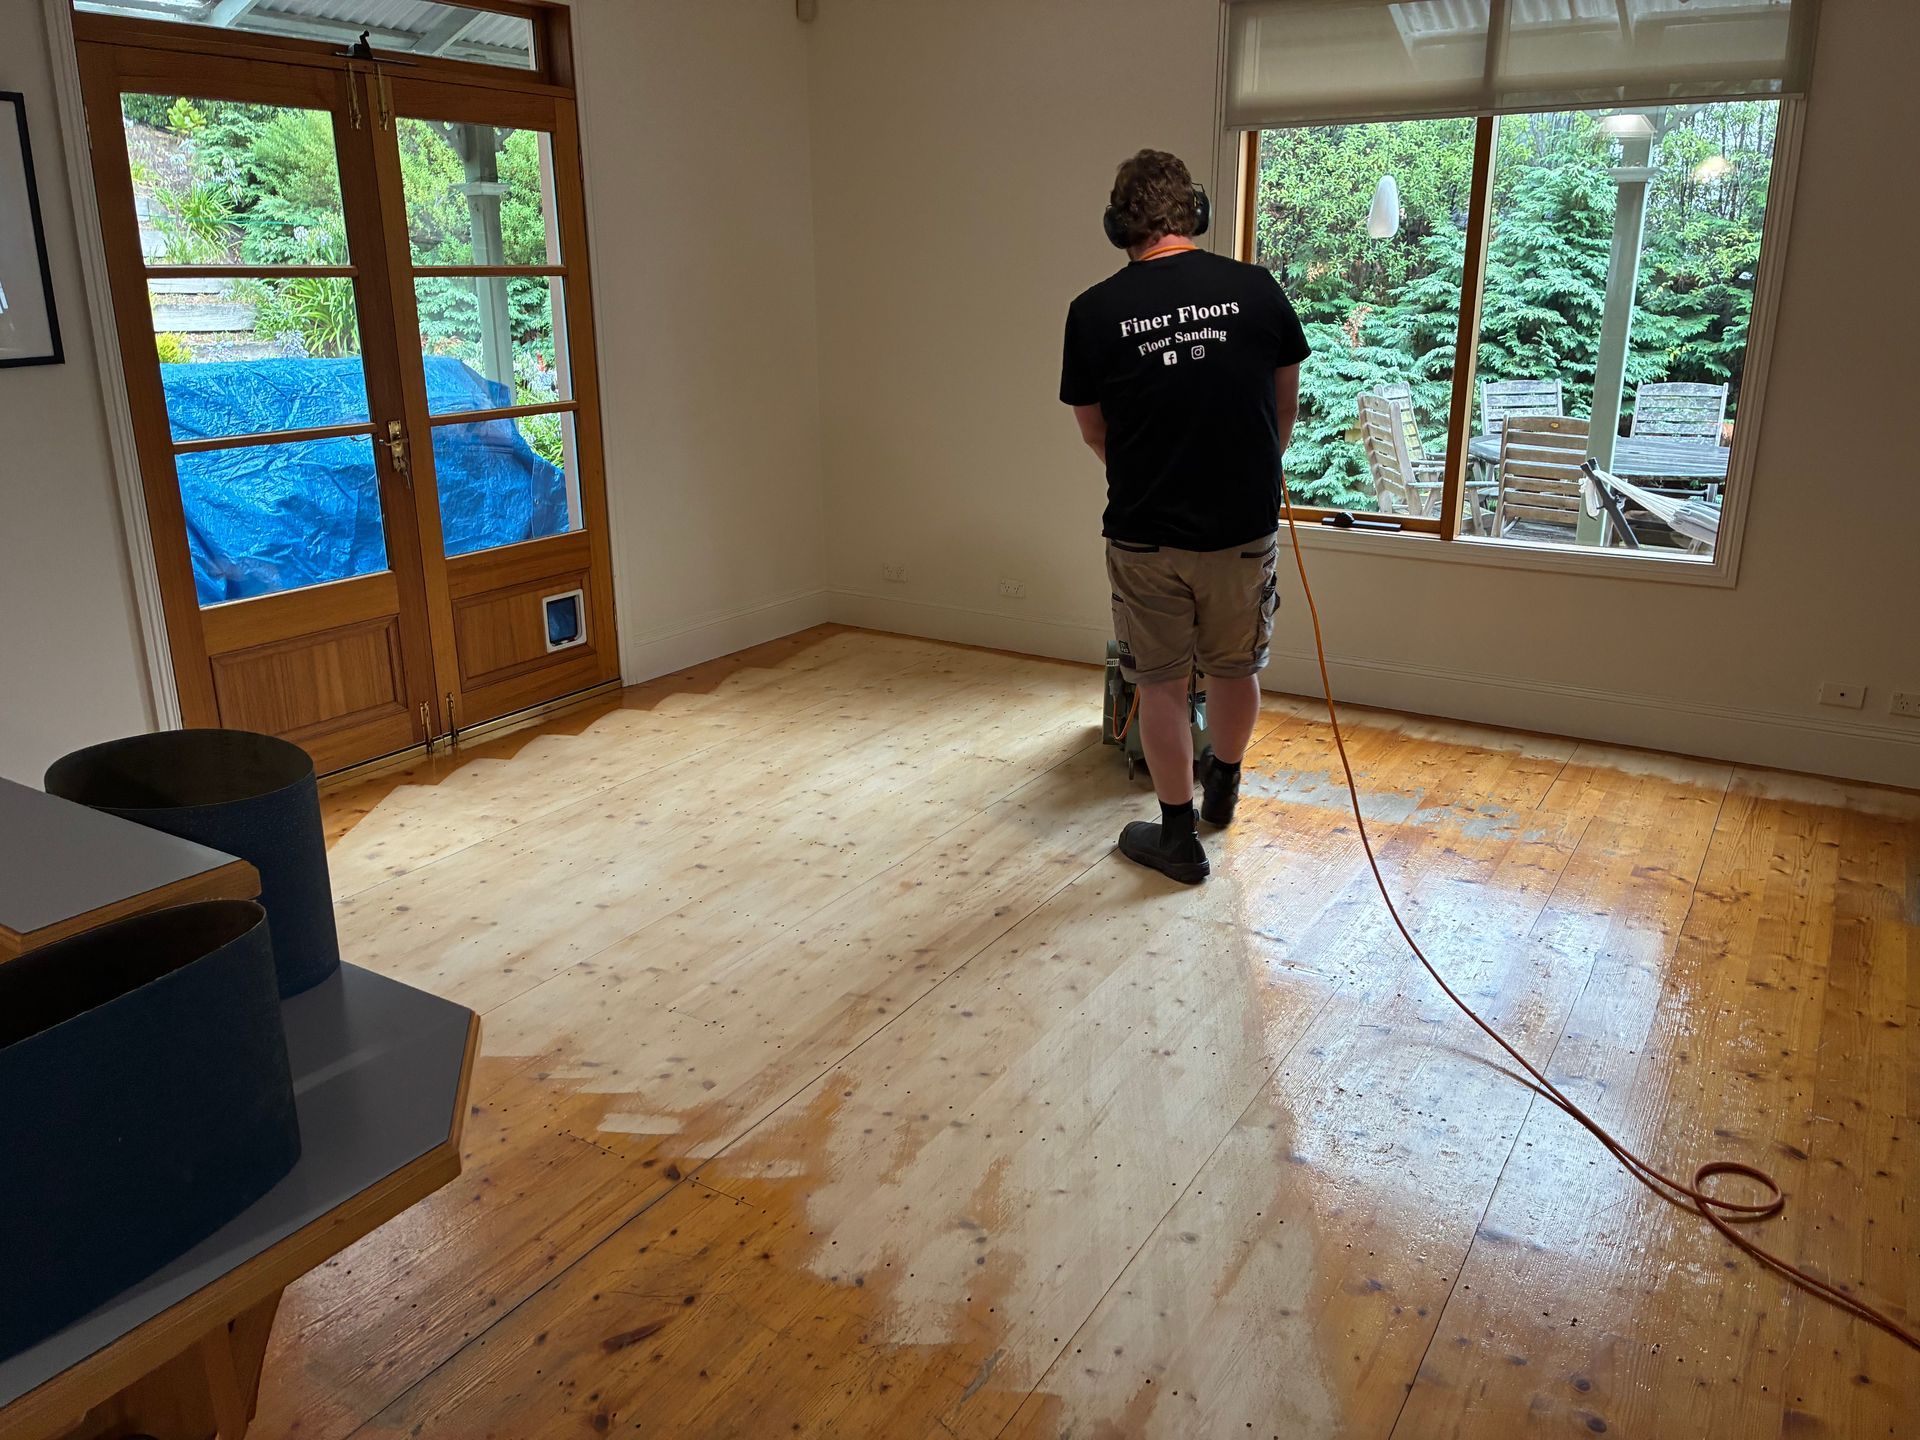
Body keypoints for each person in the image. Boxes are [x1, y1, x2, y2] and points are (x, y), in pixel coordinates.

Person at [1060, 149, 1309, 884]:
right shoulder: (1257, 290)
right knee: (1235, 666)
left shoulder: (1092, 311)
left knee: (1162, 683)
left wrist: (1152, 473)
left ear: (1118, 225)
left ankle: (1176, 837)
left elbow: (1094, 430)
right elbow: (1282, 408)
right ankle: (1222, 785)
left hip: (1145, 532)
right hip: (1242, 529)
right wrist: (1243, 476)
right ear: (1194, 212)